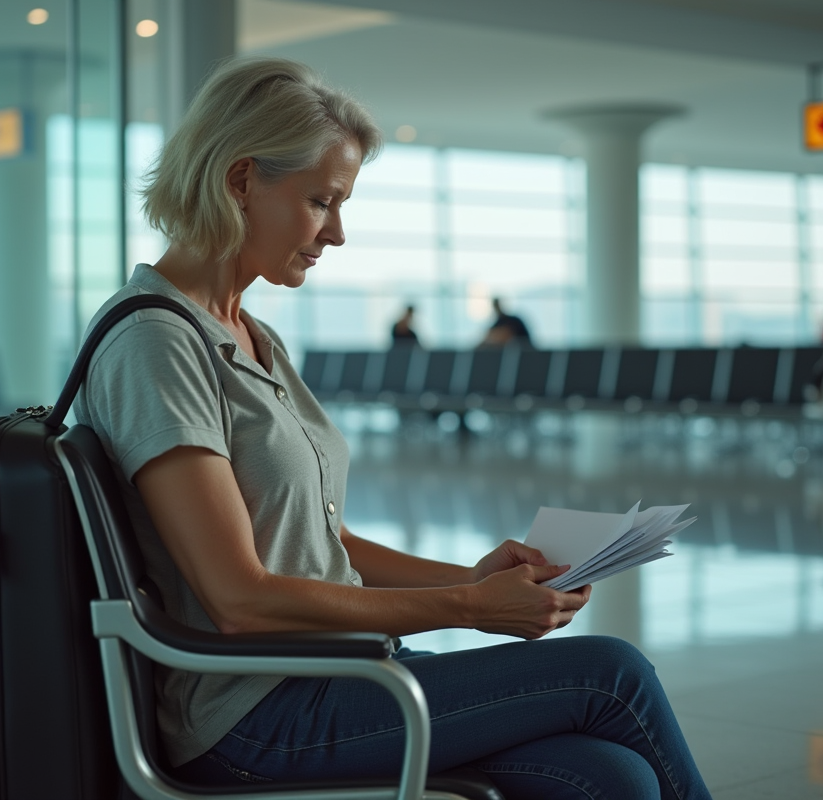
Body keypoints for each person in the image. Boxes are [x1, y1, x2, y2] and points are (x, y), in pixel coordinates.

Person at [76, 57, 710, 799]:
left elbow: (321, 543)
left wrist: (472, 578)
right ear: (240, 181)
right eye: (321, 201)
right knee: (612, 675)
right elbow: (239, 599)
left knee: (613, 780)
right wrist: (470, 610)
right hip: (256, 713)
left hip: (341, 671)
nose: (336, 233)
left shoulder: (249, 334)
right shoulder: (157, 343)